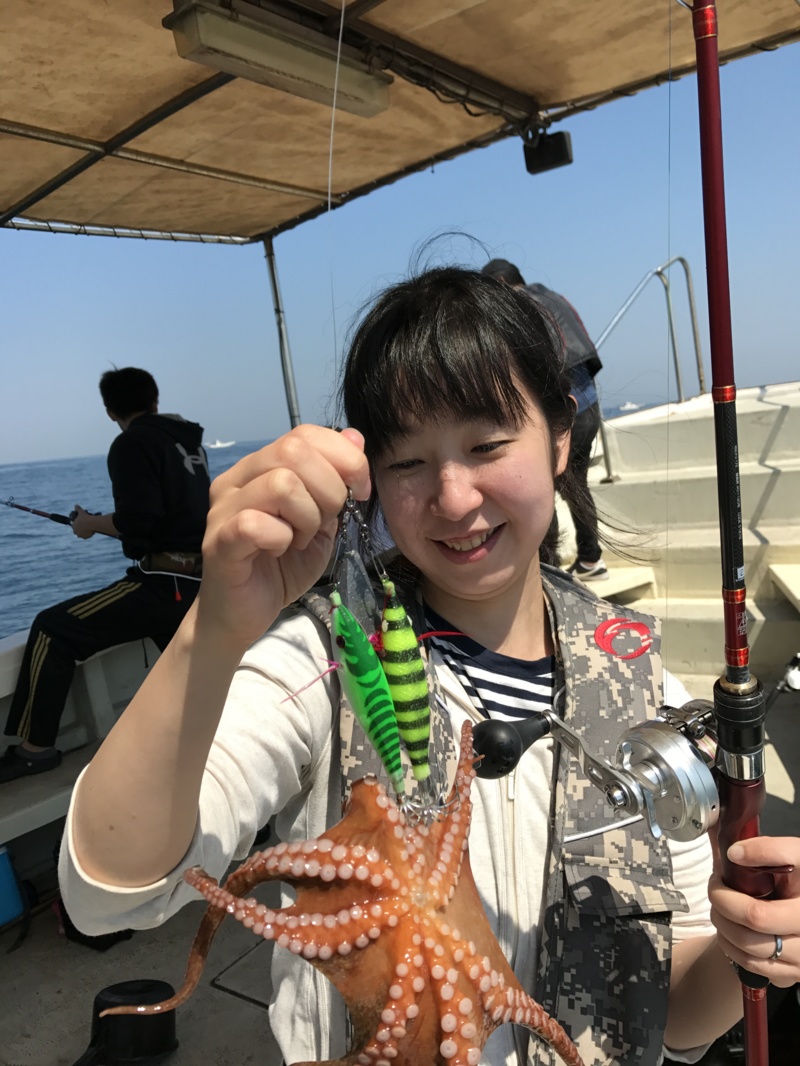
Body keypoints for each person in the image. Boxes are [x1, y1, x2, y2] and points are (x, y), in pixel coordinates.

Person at [59, 271, 799, 1066]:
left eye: (486, 446)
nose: (452, 498)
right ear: (370, 477)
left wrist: (752, 952)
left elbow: (676, 1019)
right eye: (407, 461)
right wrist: (214, 627)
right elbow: (107, 894)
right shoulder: (324, 664)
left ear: (559, 438)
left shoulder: (643, 689)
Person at [0, 368, 210, 783]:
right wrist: (100, 522)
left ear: (110, 411)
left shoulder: (131, 443)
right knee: (195, 681)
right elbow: (170, 515)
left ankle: (35, 750)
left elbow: (140, 521)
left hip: (165, 585)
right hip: (202, 583)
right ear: (154, 400)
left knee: (52, 628)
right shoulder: (187, 442)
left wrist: (90, 524)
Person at [481, 258, 607, 580]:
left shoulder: (519, 308)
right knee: (577, 485)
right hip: (589, 408)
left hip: (563, 416)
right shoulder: (553, 296)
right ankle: (591, 560)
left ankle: (549, 571)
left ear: (501, 284)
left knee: (541, 488)